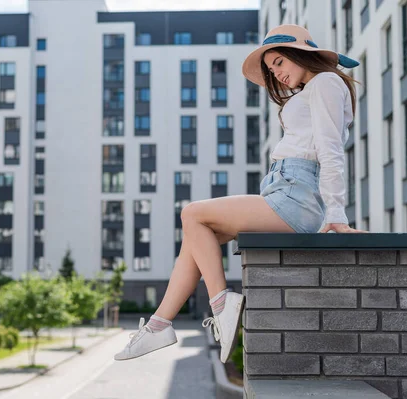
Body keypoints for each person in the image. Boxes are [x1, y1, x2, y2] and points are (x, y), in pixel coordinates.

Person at [114, 24, 367, 363]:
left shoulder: (326, 82)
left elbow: (330, 149)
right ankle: (159, 325)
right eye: (271, 69)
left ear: (300, 53)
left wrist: (336, 213)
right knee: (195, 234)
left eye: (279, 62)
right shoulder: (313, 88)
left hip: (298, 194)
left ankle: (221, 304)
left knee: (192, 212)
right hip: (284, 190)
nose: (276, 74)